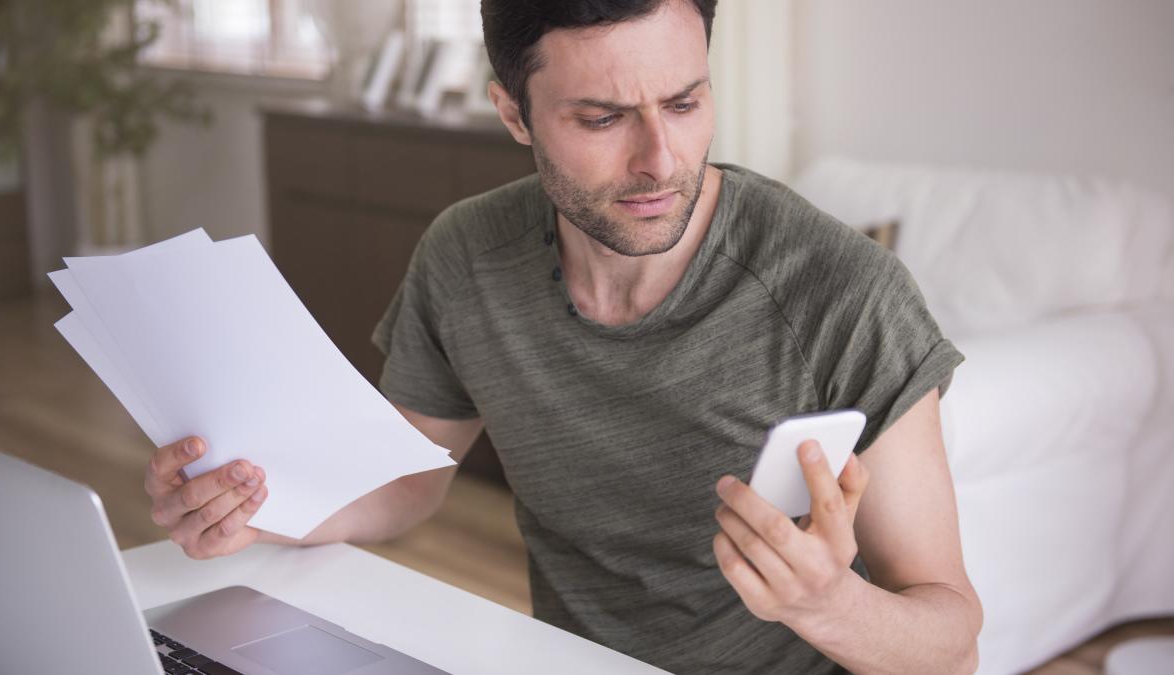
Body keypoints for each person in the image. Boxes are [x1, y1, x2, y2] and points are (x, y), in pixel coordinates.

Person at [142, 1, 983, 672]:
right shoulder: (466, 256)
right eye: (602, 118)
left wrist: (824, 601)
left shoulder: (845, 293)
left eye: (686, 103)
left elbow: (952, 641)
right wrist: (263, 508)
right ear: (514, 112)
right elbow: (409, 480)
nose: (661, 159)